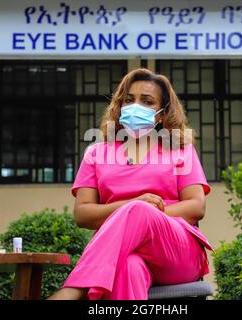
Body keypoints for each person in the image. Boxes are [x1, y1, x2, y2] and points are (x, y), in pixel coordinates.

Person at [48, 68, 213, 300]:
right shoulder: (97, 152)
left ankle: (73, 290)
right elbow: (83, 214)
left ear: (161, 114)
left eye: (147, 102)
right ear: (119, 105)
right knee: (129, 267)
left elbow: (197, 207)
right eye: (129, 99)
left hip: (177, 251)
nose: (136, 106)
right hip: (121, 254)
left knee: (139, 209)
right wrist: (131, 205)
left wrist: (144, 212)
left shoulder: (179, 148)